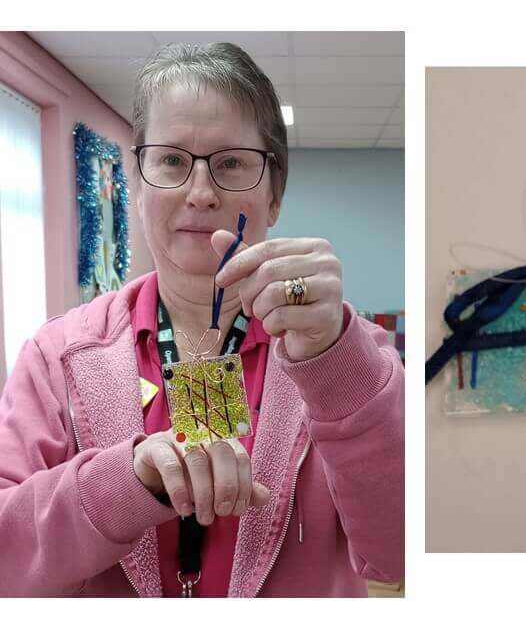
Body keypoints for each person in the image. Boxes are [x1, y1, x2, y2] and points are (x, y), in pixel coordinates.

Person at [0, 42, 403, 596]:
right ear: (138, 184)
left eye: (231, 163)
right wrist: (127, 480)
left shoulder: (350, 354)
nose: (200, 192)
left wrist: (337, 363)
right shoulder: (58, 357)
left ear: (275, 194)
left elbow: (399, 554)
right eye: (170, 160)